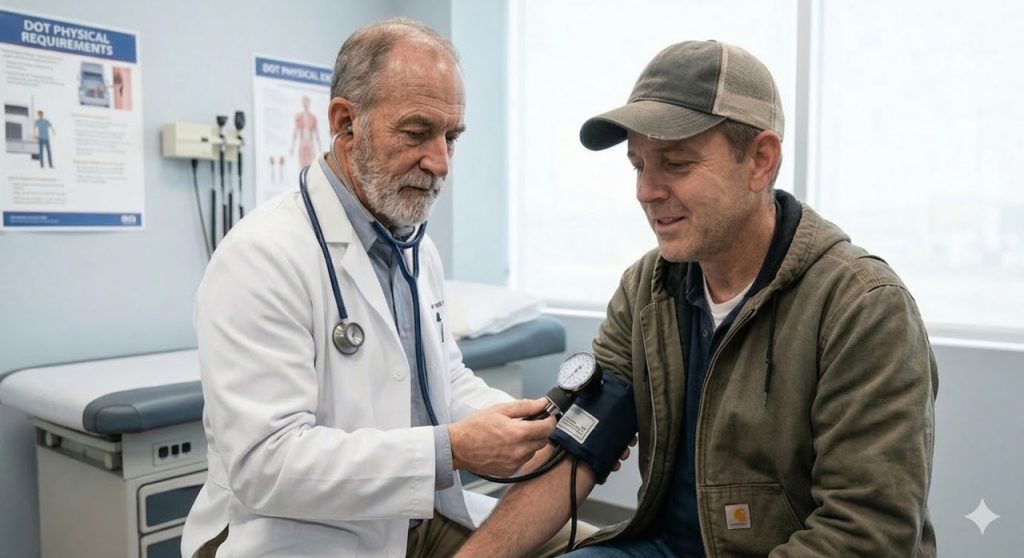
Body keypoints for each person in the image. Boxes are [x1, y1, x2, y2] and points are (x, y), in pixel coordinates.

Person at [457, 40, 938, 557]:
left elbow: (864, 535)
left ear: (760, 161)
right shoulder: (647, 290)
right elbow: (578, 449)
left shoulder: (862, 309)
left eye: (677, 164)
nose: (646, 190)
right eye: (639, 165)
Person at [181, 18, 569, 558]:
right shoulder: (261, 257)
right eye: (416, 133)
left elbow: (442, 379)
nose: (440, 163)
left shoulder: (412, 245)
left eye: (451, 138)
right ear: (346, 122)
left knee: (592, 547)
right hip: (290, 534)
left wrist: (528, 426)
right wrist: (451, 450)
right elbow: (265, 465)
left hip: (406, 520)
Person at [291, 95, 321, 167]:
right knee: (302, 164)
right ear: (302, 103)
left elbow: (317, 133)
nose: (306, 103)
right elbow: (295, 132)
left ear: (309, 103)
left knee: (311, 165)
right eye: (304, 101)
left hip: (310, 142)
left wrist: (320, 147)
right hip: (302, 142)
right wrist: (292, 146)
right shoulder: (298, 116)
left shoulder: (313, 117)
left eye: (307, 101)